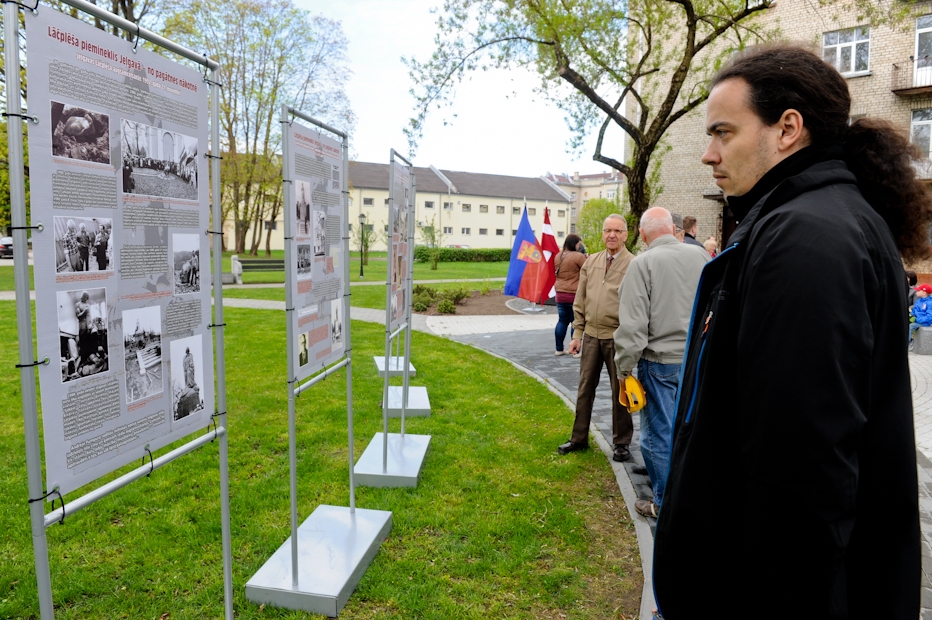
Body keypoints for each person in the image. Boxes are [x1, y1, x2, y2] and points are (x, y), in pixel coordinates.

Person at [654, 44, 928, 618]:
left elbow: (802, 480)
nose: (707, 155)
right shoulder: (812, 222)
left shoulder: (806, 241)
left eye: (723, 132)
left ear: (787, 129)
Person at [613, 207, 708, 519]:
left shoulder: (643, 264)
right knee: (690, 431)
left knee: (658, 435)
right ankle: (693, 494)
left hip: (659, 363)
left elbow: (632, 328)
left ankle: (665, 503)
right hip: (696, 360)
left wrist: (624, 369)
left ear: (642, 235)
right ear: (673, 230)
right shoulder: (701, 258)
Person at [557, 215, 635, 463]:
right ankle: (578, 438)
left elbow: (637, 306)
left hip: (617, 338)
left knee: (619, 391)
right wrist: (577, 333)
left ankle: (621, 443)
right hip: (591, 334)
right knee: (584, 389)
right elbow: (580, 299)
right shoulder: (591, 262)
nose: (612, 235)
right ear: (602, 234)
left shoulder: (634, 264)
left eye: (617, 231)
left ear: (625, 234)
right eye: (607, 230)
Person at [553, 234, 587, 356]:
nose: (580, 246)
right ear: (574, 244)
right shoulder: (578, 256)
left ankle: (559, 349)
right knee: (575, 322)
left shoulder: (558, 256)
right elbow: (588, 269)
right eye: (578, 243)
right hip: (574, 294)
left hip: (560, 294)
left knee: (562, 321)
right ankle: (575, 351)